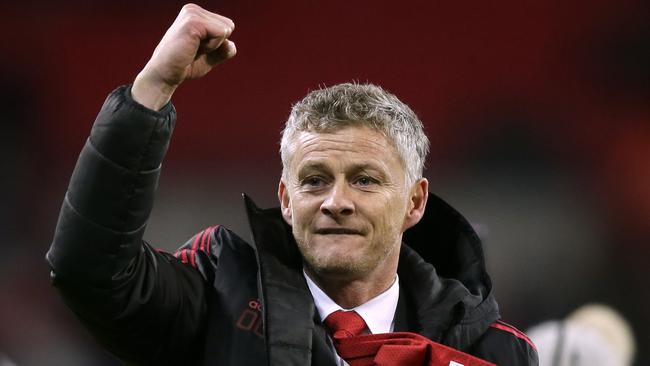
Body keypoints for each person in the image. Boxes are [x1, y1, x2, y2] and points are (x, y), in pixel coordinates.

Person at [46, 4, 537, 365]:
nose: (336, 202)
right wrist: (153, 89)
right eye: (314, 181)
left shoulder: (492, 352)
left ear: (414, 202)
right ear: (284, 198)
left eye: (364, 181)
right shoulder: (218, 297)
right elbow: (89, 271)